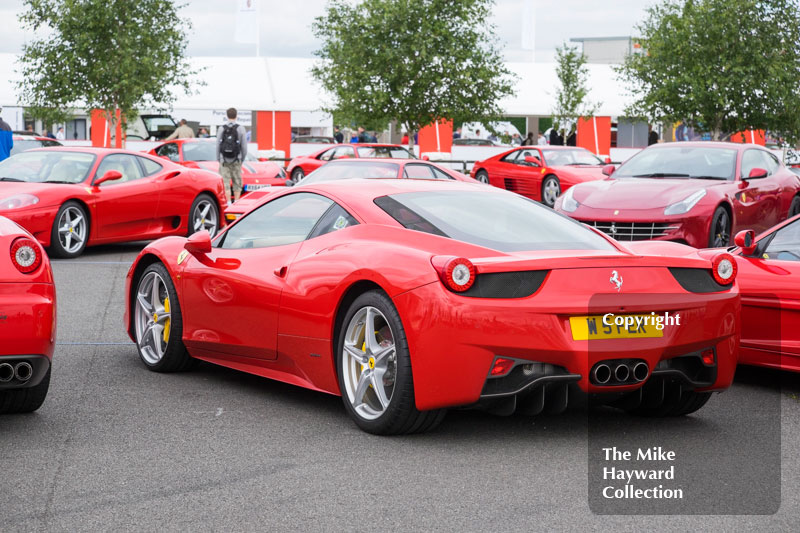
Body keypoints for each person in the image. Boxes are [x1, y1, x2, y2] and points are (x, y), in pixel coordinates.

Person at [216, 107, 247, 204]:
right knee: (237, 181)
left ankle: (228, 202)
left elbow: (218, 145)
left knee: (225, 182)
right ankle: (237, 202)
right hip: (236, 159)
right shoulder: (241, 128)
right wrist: (242, 159)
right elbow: (244, 146)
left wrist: (219, 158)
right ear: (236, 115)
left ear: (227, 115)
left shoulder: (221, 128)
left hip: (224, 160)